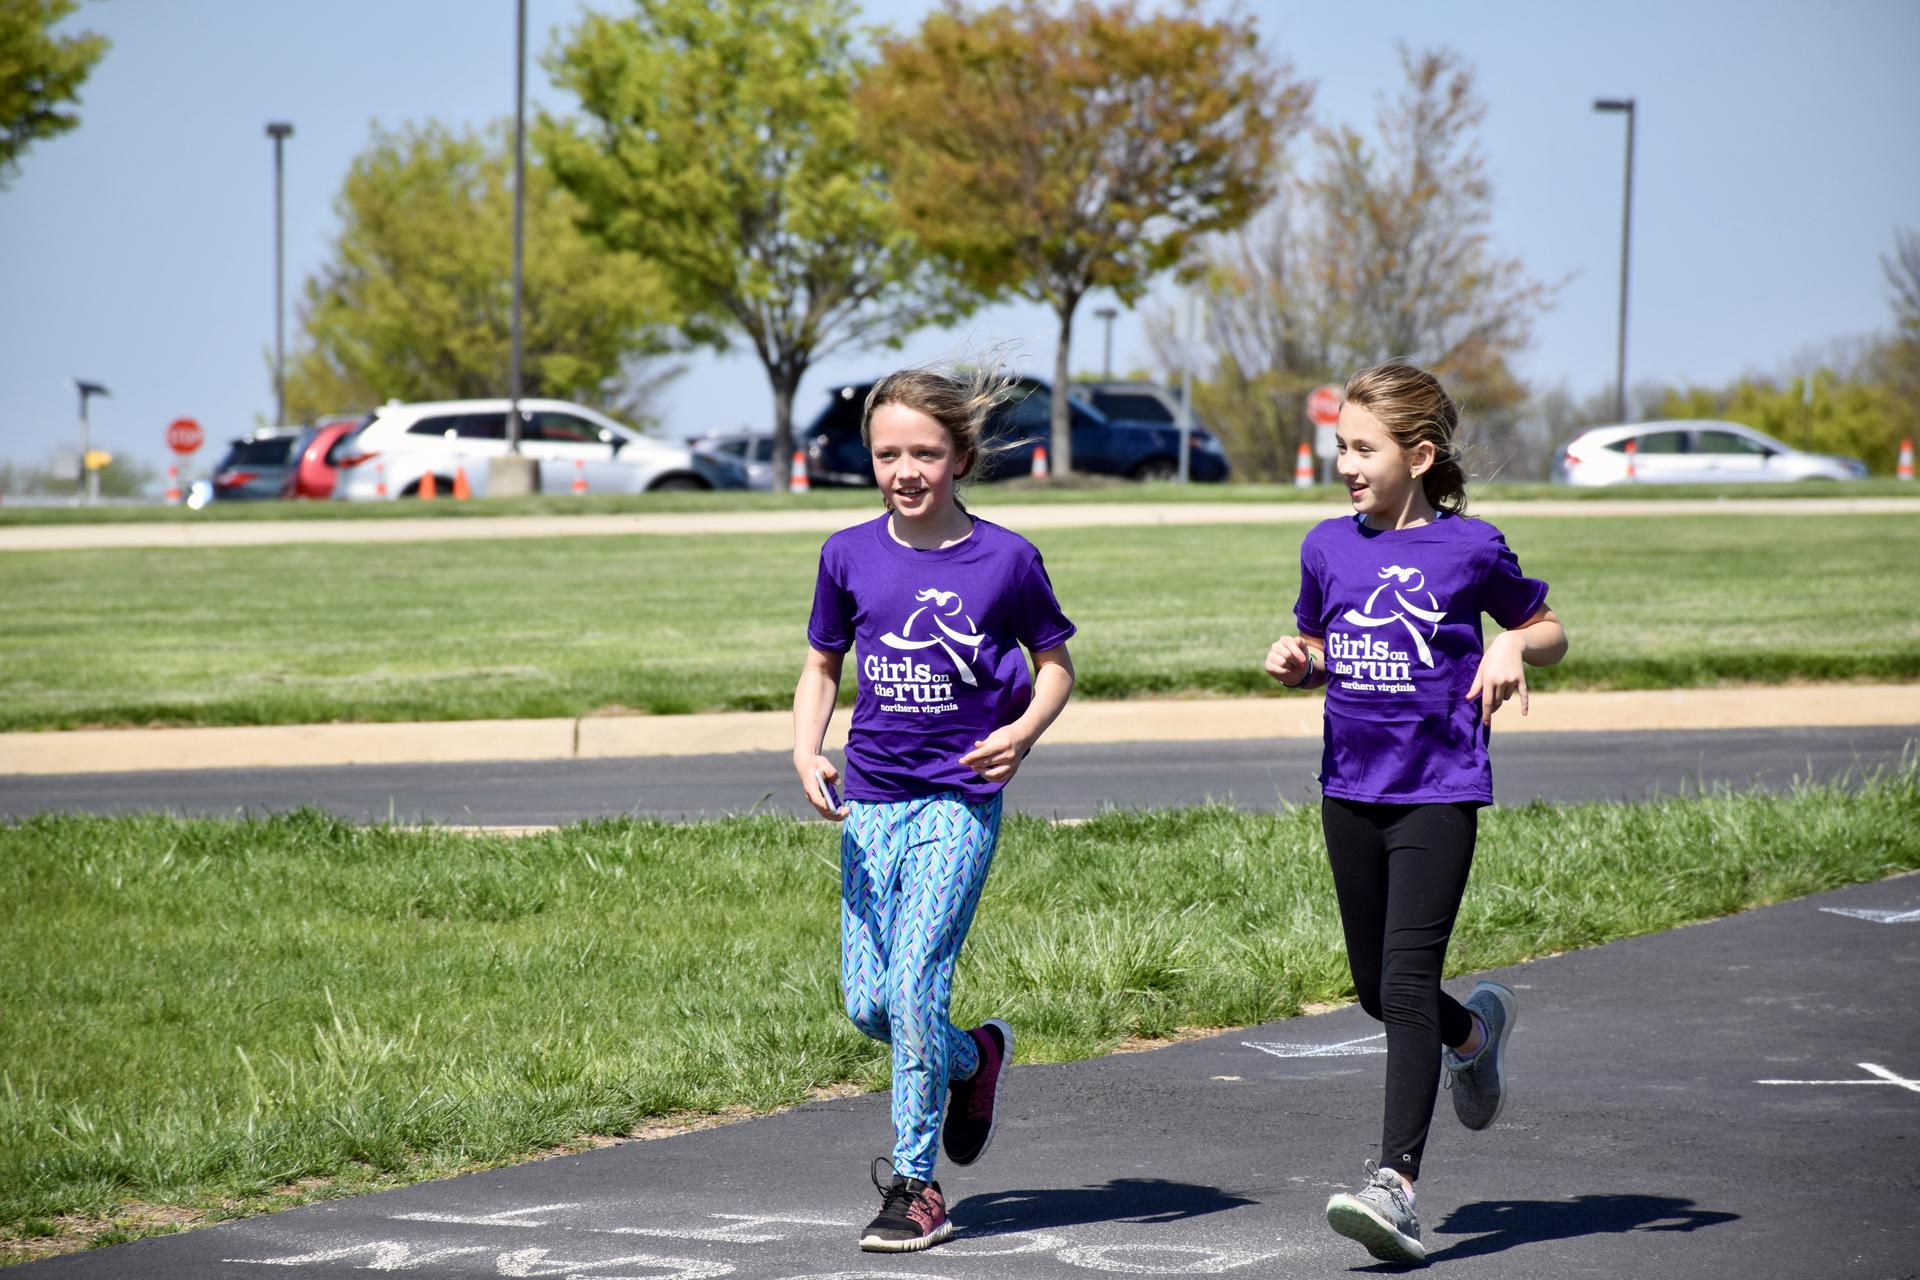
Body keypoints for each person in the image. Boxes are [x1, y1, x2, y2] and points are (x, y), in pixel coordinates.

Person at [1264, 362, 1568, 1265]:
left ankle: (1394, 1186)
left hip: (1438, 793)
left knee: (1402, 986)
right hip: (1348, 790)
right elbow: (1329, 646)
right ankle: (1474, 1034)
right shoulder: (1327, 545)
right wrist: (1299, 660)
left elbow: (1549, 628)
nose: (1346, 463)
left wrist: (1512, 640)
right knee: (1374, 990)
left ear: (1420, 455)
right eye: (1341, 448)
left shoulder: (1469, 547)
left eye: (1364, 448)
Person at [793, 366, 1077, 1253]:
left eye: (924, 452)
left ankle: (916, 1186)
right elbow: (821, 667)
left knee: (917, 984)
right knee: (872, 1007)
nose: (905, 470)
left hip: (960, 798)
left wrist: (1024, 731)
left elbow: (1057, 666)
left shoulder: (1006, 559)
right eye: (887, 454)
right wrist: (807, 747)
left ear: (959, 456)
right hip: (871, 801)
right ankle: (975, 1059)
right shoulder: (847, 554)